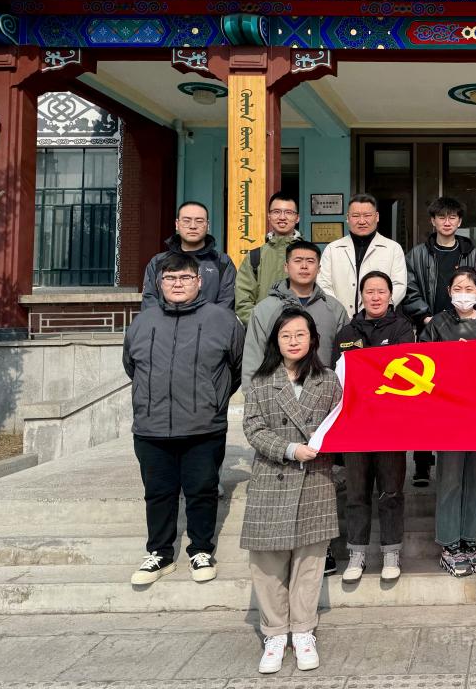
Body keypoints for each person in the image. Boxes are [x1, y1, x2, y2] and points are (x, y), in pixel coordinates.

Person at [123, 252, 245, 586]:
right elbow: (131, 366)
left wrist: (213, 399)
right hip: (151, 426)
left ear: (199, 281)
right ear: (160, 283)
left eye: (185, 278)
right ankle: (159, 553)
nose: (177, 284)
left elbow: (236, 368)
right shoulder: (142, 322)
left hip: (203, 426)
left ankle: (201, 550)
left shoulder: (223, 320)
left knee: (201, 490)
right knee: (158, 492)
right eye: (170, 278)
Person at [241, 309, 341, 674]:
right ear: (276, 341)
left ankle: (302, 631)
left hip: (315, 479)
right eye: (286, 335)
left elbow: (342, 420)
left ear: (313, 339)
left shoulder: (328, 380)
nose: (294, 341)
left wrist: (325, 443)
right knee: (268, 564)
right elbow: (253, 429)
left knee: (309, 563)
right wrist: (288, 449)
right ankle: (274, 633)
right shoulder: (260, 381)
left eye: (301, 334)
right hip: (273, 476)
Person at [332, 271, 415, 582]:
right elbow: (337, 376)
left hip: (390, 425)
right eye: (370, 291)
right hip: (355, 424)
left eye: (381, 291)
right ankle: (357, 553)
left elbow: (404, 370)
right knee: (356, 492)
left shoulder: (402, 328)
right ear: (362, 296)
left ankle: (391, 552)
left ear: (390, 296)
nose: (375, 297)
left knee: (391, 491)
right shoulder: (346, 332)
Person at [420, 267, 476, 577]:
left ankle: (470, 540)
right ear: (449, 292)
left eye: (469, 288)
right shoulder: (437, 324)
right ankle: (449, 544)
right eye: (457, 288)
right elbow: (422, 366)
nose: (463, 294)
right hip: (449, 414)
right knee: (450, 478)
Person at [402, 196, 476, 487]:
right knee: (426, 397)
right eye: (442, 217)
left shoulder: (471, 254)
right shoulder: (418, 254)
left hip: (465, 334)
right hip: (429, 332)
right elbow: (409, 289)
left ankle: (460, 455)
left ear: (460, 222)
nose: (447, 222)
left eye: (452, 217)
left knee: (460, 397)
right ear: (433, 221)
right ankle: (422, 463)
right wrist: (425, 317)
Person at [242, 240, 348, 385]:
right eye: (298, 261)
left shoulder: (334, 309)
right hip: (276, 391)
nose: (304, 266)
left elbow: (345, 358)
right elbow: (252, 357)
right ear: (286, 267)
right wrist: (251, 392)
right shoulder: (264, 309)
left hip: (324, 390)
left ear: (319, 269)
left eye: (310, 261)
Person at [317, 193, 407, 318]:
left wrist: (380, 308)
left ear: (377, 217)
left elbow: (399, 285)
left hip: (380, 319)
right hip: (339, 319)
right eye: (356, 216)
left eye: (367, 215)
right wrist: (338, 311)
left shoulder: (393, 248)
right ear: (347, 218)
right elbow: (323, 283)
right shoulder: (332, 249)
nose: (362, 221)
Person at [142, 201, 234, 309]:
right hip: (164, 320)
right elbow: (149, 302)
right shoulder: (157, 262)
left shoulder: (222, 262)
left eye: (199, 221)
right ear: (177, 224)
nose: (193, 226)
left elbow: (226, 303)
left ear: (208, 225)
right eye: (186, 221)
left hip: (211, 320)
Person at [235, 191, 303, 324]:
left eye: (289, 212)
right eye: (276, 212)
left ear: (297, 218)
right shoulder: (254, 256)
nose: (282, 217)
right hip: (263, 330)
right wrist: (263, 325)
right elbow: (243, 302)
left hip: (302, 330)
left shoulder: (309, 254)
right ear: (269, 216)